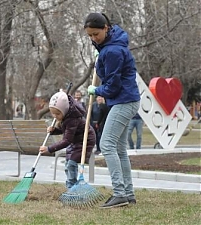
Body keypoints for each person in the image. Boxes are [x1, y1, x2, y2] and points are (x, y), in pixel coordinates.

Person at [85, 12, 140, 208]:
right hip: (127, 100)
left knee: (107, 145)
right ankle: (128, 193)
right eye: (89, 36)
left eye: (95, 35)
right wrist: (100, 54)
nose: (93, 38)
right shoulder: (110, 47)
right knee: (119, 149)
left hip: (123, 101)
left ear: (106, 28)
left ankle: (119, 193)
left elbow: (112, 86)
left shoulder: (113, 51)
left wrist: (96, 90)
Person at [39, 91, 96, 189]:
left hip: (85, 141)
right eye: (53, 114)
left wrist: (49, 149)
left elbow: (66, 140)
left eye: (57, 114)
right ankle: (71, 185)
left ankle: (72, 187)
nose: (55, 116)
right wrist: (54, 131)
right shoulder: (67, 117)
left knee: (71, 163)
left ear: (64, 110)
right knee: (68, 163)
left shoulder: (72, 119)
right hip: (75, 140)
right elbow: (65, 130)